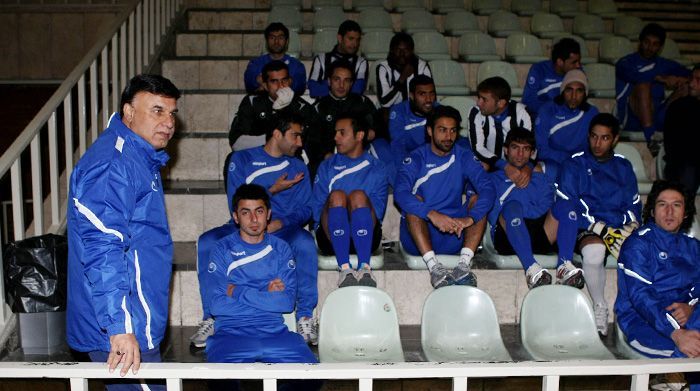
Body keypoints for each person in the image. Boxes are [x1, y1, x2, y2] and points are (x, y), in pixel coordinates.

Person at [66, 74, 180, 390]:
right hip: (122, 327)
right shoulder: (112, 163)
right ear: (128, 113)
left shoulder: (138, 156)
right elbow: (103, 248)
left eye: (172, 113)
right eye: (157, 110)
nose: (168, 122)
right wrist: (119, 328)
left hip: (135, 320)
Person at [191, 114, 319, 347]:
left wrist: (281, 222)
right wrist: (272, 190)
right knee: (208, 242)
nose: (300, 143)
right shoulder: (241, 160)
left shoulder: (298, 166)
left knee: (305, 243)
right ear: (277, 134)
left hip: (281, 229)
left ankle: (305, 316)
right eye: (295, 135)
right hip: (243, 226)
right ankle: (210, 317)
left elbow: (308, 208)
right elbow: (237, 203)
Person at [206, 184, 320, 391]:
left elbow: (285, 303)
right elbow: (217, 306)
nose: (254, 219)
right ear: (235, 217)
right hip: (231, 333)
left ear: (268, 214)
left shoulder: (281, 248)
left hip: (274, 331)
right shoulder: (222, 249)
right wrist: (265, 294)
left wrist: (238, 290)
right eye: (246, 212)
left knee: (313, 376)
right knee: (219, 382)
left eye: (259, 211)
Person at [556, 113, 642, 336]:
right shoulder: (574, 163)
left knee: (644, 250)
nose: (597, 143)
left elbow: (633, 204)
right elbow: (567, 204)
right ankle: (599, 306)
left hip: (616, 228)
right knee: (595, 250)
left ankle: (638, 314)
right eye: (594, 136)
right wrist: (597, 227)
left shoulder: (623, 166)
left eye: (604, 138)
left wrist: (628, 225)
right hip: (584, 228)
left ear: (614, 139)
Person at [394, 106, 495, 288]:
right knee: (413, 202)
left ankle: (463, 266)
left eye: (453, 130)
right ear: (430, 131)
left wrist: (469, 219)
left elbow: (488, 188)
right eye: (442, 130)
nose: (448, 137)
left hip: (454, 233)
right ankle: (434, 268)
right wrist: (431, 214)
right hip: (420, 237)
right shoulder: (416, 158)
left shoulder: (463, 156)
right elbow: (400, 194)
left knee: (477, 200)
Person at [615, 180, 699, 388]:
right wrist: (677, 333)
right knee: (689, 353)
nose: (669, 211)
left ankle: (670, 379)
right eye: (662, 204)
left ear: (685, 213)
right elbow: (641, 297)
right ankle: (670, 378)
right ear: (652, 211)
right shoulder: (638, 244)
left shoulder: (693, 247)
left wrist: (692, 307)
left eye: (677, 205)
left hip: (688, 319)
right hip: (644, 322)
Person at [488, 128, 584, 289]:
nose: (520, 154)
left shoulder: (539, 176)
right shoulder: (493, 178)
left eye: (525, 149)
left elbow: (545, 206)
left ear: (532, 153)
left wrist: (536, 176)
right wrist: (522, 209)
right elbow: (493, 214)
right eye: (515, 147)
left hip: (539, 232)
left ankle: (564, 265)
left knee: (566, 206)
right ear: (506, 150)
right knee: (512, 207)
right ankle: (531, 268)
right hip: (508, 234)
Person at [311, 114, 389, 288]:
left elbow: (378, 212)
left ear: (359, 136)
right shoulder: (327, 166)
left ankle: (365, 267)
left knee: (358, 196)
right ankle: (344, 268)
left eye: (341, 133)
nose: (335, 137)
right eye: (335, 133)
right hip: (331, 237)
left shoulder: (377, 168)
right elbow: (317, 211)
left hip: (366, 238)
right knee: (337, 195)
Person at [615, 23, 690, 155]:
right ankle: (651, 138)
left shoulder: (664, 64)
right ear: (640, 42)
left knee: (686, 87)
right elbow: (638, 77)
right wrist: (661, 78)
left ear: (660, 47)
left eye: (655, 44)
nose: (650, 47)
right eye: (647, 42)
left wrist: (676, 79)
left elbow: (690, 74)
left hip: (657, 114)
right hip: (633, 117)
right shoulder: (625, 63)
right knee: (643, 86)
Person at [308, 60, 382, 177]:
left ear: (351, 83)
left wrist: (371, 132)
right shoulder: (319, 107)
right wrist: (325, 155)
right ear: (329, 81)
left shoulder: (362, 103)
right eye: (337, 79)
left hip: (359, 157)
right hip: (329, 158)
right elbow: (311, 141)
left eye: (346, 80)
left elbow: (380, 126)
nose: (341, 85)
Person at [229, 60, 314, 151]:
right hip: (258, 157)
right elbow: (236, 143)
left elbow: (305, 143)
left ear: (290, 81)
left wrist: (282, 111)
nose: (280, 86)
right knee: (232, 158)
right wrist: (270, 138)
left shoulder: (302, 106)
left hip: (289, 158)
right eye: (274, 81)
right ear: (265, 85)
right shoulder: (253, 101)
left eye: (284, 80)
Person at [468, 77, 532, 177]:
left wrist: (527, 167)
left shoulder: (522, 113)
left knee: (535, 169)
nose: (478, 103)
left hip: (517, 161)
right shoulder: (476, 112)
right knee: (480, 165)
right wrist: (504, 166)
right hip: (488, 161)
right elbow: (478, 148)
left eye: (484, 99)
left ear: (501, 103)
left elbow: (530, 145)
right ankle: (472, 191)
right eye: (479, 97)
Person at [535, 69, 599, 168]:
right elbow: (540, 149)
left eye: (579, 91)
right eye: (569, 90)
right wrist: (566, 158)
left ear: (585, 94)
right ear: (563, 91)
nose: (574, 96)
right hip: (551, 163)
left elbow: (594, 148)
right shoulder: (547, 110)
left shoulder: (591, 113)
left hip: (581, 165)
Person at [388, 75, 442, 181]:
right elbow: (398, 146)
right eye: (422, 94)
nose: (428, 100)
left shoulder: (439, 111)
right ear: (411, 96)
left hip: (431, 158)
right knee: (390, 162)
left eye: (431, 94)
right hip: (409, 157)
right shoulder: (399, 112)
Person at [663, 64, 700, 196]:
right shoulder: (679, 107)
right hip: (683, 163)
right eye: (691, 79)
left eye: (698, 80)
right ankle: (684, 214)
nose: (691, 84)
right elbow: (674, 147)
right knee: (688, 170)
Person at [308, 20, 368, 99]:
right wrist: (347, 87)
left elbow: (357, 91)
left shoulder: (361, 62)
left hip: (350, 110)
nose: (355, 44)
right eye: (351, 39)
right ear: (340, 38)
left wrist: (326, 84)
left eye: (357, 40)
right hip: (324, 109)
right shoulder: (321, 59)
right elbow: (313, 90)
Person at [522, 37, 581, 116]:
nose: (578, 65)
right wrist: (554, 109)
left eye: (579, 61)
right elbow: (528, 101)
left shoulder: (579, 73)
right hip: (543, 116)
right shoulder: (539, 69)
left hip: (568, 118)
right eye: (574, 62)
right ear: (560, 62)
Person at [243, 22, 307, 95]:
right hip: (262, 104)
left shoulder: (296, 65)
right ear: (267, 41)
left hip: (289, 105)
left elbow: (300, 87)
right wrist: (286, 82)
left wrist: (265, 83)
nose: (276, 42)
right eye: (272, 38)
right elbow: (249, 84)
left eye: (281, 38)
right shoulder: (256, 63)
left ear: (287, 41)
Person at [376, 32, 432, 109]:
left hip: (417, 111)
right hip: (393, 111)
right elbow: (385, 103)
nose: (402, 54)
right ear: (392, 50)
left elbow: (430, 97)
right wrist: (402, 78)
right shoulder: (383, 68)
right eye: (398, 50)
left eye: (406, 50)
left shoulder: (422, 66)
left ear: (412, 51)